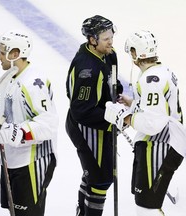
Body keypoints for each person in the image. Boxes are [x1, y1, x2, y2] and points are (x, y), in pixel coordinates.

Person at [104, 30, 184, 216]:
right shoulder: (161, 71)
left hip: (159, 145)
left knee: (146, 208)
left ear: (135, 52)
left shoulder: (150, 80)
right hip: (165, 144)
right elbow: (158, 109)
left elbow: (152, 124)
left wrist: (123, 117)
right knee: (146, 204)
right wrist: (132, 103)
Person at [0, 29, 58, 216]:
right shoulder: (8, 77)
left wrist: (14, 132)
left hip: (32, 161)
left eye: (3, 52)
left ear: (15, 54)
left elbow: (48, 124)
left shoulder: (34, 82)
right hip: (11, 160)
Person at [65, 15, 123, 216]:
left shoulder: (109, 54)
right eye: (105, 37)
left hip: (100, 121)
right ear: (92, 40)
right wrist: (114, 119)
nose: (111, 41)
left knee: (96, 175)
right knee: (101, 179)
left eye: (111, 35)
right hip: (86, 128)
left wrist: (117, 96)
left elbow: (113, 82)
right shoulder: (88, 69)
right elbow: (82, 111)